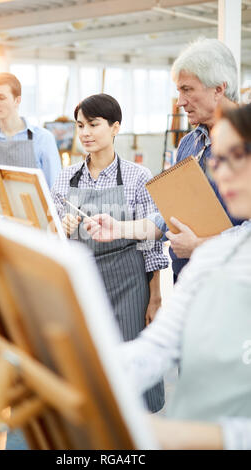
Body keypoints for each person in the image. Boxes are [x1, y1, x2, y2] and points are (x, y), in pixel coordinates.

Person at [118, 103, 251, 450]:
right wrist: (85, 374)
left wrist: (189, 437)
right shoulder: (215, 255)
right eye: (216, 161)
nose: (220, 173)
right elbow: (159, 346)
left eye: (234, 156)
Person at [84, 38, 245, 282]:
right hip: (188, 279)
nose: (180, 101)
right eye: (179, 91)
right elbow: (168, 216)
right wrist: (119, 228)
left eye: (187, 89)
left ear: (219, 89)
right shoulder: (189, 144)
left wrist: (201, 246)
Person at [51, 93, 169, 412]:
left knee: (131, 367)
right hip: (82, 285)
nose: (85, 132)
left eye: (93, 124)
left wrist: (154, 296)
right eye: (80, 126)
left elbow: (152, 242)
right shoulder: (65, 178)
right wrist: (61, 228)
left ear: (115, 127)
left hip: (128, 284)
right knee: (85, 366)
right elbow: (50, 242)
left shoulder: (138, 177)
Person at [0, 72, 61, 189]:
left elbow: (55, 188)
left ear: (17, 100)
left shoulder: (43, 138)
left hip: (35, 207)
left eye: (1, 98)